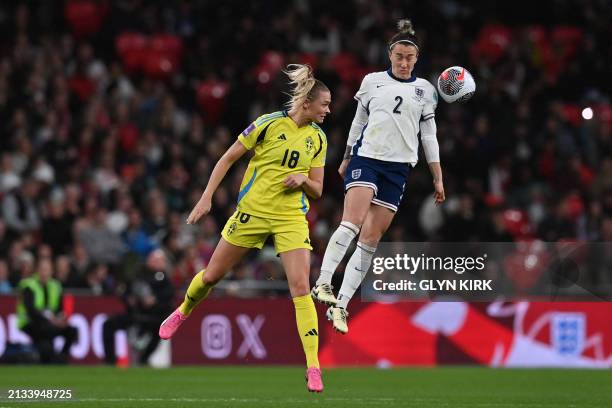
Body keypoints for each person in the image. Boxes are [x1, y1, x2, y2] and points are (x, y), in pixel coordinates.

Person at [159, 64, 330, 393]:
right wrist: (206, 198)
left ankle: (313, 366)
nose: (328, 110)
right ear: (306, 103)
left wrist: (304, 180)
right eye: (324, 104)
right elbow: (227, 158)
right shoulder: (267, 124)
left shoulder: (318, 139)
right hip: (252, 212)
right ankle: (183, 311)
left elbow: (318, 190)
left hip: (291, 217)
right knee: (211, 276)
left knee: (300, 287)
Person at [311, 19, 445, 334]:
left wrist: (437, 177)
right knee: (351, 223)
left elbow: (430, 136)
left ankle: (341, 306)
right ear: (390, 55)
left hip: (399, 169)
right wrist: (346, 157)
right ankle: (323, 282)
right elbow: (358, 123)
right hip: (367, 159)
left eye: (409, 57)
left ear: (416, 58)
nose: (403, 62)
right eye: (399, 56)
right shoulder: (372, 82)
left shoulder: (424, 90)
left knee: (371, 240)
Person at [103, 249, 174, 365]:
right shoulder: (138, 275)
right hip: (135, 315)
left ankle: (144, 360)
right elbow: (125, 292)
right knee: (108, 324)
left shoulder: (166, 281)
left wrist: (154, 302)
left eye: (159, 260)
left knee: (159, 330)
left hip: (153, 317)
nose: (155, 262)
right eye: (153, 259)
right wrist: (129, 299)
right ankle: (109, 361)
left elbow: (168, 302)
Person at [16, 257, 78, 363]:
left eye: (47, 269)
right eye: (42, 269)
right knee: (46, 342)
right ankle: (50, 357)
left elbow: (59, 308)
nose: (44, 273)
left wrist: (60, 319)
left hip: (49, 324)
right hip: (31, 323)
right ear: (37, 270)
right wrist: (51, 320)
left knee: (72, 331)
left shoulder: (55, 286)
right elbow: (31, 311)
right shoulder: (29, 286)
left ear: (52, 271)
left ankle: (62, 358)